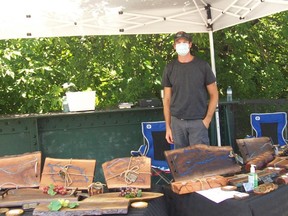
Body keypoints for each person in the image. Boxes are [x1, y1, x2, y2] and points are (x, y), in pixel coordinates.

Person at [162, 31, 218, 149]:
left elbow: (214, 94)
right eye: (178, 42)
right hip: (177, 122)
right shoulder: (170, 68)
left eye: (184, 42)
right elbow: (166, 99)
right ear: (174, 46)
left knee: (200, 161)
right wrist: (168, 126)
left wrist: (207, 120)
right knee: (181, 162)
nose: (181, 45)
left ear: (190, 44)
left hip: (198, 122)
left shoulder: (202, 66)